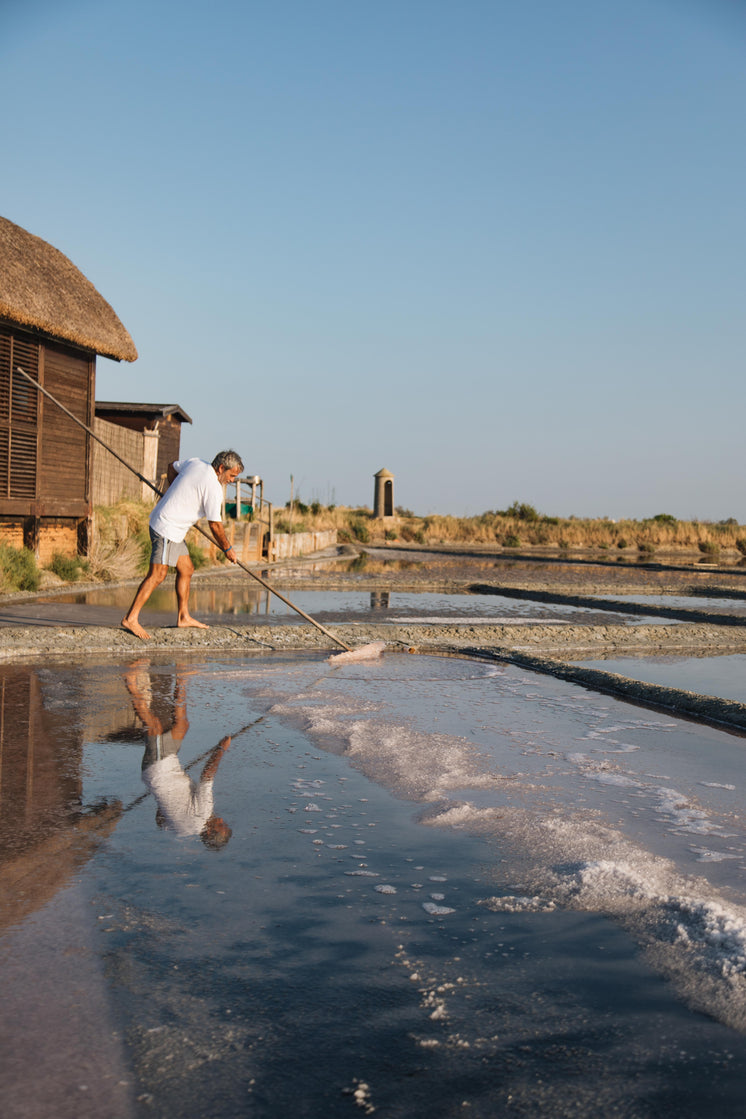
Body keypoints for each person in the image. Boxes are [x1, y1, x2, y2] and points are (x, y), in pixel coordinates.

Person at [122, 449, 244, 640]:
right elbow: (215, 525)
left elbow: (172, 466)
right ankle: (131, 618)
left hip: (175, 530)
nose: (232, 480)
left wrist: (174, 492)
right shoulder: (213, 488)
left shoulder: (197, 463)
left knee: (186, 569)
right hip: (166, 528)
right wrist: (227, 549)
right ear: (221, 468)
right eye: (232, 475)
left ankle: (183, 616)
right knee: (158, 575)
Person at [125, 660, 233, 849]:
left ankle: (130, 682)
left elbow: (207, 775)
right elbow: (160, 822)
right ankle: (181, 678)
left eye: (220, 825)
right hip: (165, 768)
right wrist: (167, 804)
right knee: (182, 726)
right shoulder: (181, 831)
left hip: (160, 769)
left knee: (154, 726)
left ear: (209, 832)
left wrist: (221, 749)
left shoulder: (204, 813)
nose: (221, 819)